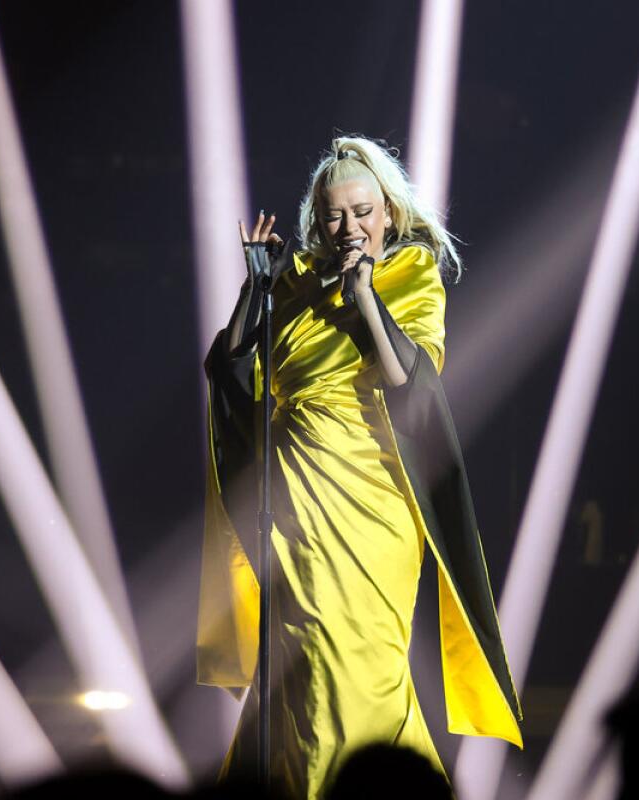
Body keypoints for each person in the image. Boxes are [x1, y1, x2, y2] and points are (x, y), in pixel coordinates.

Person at [196, 135, 522, 799]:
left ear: (391, 215)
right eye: (336, 214)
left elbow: (414, 384)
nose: (350, 227)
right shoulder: (288, 287)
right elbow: (230, 374)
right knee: (296, 675)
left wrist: (365, 296)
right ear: (318, 221)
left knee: (357, 667)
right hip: (289, 511)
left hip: (372, 511)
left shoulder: (410, 278)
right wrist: (255, 289)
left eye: (364, 211)